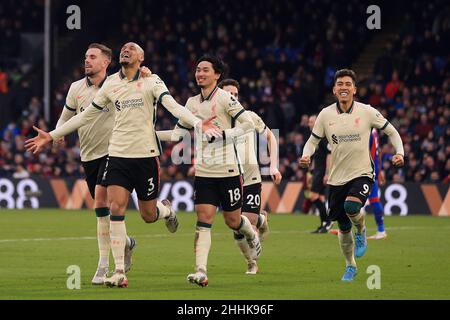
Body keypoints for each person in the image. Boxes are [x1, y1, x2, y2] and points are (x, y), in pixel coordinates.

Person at [25, 42, 220, 288]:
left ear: (141, 57)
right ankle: (116, 271)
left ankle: (166, 211)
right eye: (123, 48)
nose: (125, 49)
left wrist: (197, 123)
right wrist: (52, 135)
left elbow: (173, 107)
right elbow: (85, 116)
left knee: (148, 215)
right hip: (116, 155)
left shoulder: (152, 81)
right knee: (114, 208)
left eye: (132, 48)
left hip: (146, 156)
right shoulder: (111, 84)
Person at [158, 55, 262, 287]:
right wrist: (151, 135)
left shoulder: (226, 99)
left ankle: (252, 234)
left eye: (205, 70)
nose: (200, 74)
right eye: (197, 70)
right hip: (204, 172)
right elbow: (177, 135)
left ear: (217, 75)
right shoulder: (192, 103)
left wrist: (225, 134)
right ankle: (201, 271)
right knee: (203, 221)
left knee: (233, 221)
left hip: (228, 171)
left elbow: (248, 124)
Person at [299, 69, 404, 282]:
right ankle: (350, 266)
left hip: (362, 172)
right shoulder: (325, 115)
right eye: (340, 84)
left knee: (352, 207)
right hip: (337, 178)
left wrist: (399, 152)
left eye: (348, 84)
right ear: (334, 89)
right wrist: (305, 155)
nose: (344, 87)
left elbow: (391, 131)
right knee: (342, 227)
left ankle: (362, 229)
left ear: (354, 89)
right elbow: (313, 140)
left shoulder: (367, 111)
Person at [219, 78, 282, 274]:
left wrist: (274, 166)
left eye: (236, 94)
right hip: (227, 178)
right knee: (237, 227)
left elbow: (271, 137)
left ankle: (253, 260)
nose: (233, 97)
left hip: (250, 178)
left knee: (247, 223)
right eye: (229, 93)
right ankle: (251, 259)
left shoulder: (249, 116)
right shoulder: (216, 119)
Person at [306, 114, 332, 234]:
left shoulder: (323, 136)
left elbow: (329, 154)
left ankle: (328, 221)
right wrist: (311, 170)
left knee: (313, 196)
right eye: (309, 122)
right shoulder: (315, 137)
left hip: (321, 171)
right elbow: (317, 156)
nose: (309, 124)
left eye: (311, 122)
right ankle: (323, 224)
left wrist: (327, 173)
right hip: (317, 170)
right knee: (320, 197)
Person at [367, 128, 388, 240]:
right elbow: (377, 152)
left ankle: (381, 230)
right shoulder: (374, 131)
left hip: (366, 170)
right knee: (374, 199)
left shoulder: (367, 130)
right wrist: (379, 170)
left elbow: (370, 152)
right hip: (372, 169)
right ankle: (381, 230)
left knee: (374, 200)